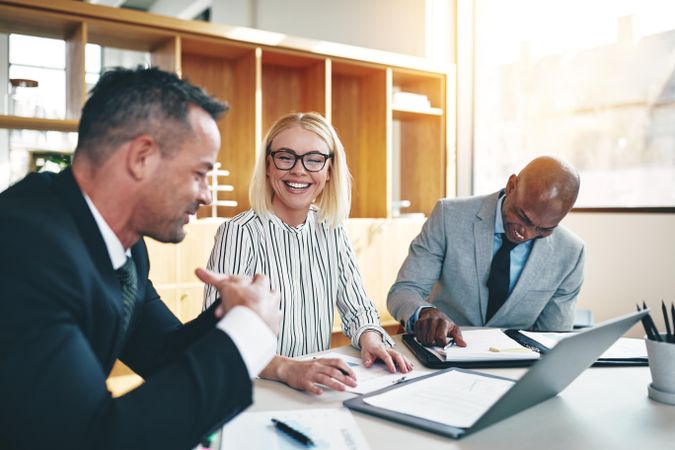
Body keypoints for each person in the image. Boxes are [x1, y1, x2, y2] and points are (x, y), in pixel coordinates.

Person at [0, 67, 282, 450]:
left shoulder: (127, 244)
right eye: (200, 174)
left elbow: (158, 352)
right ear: (142, 157)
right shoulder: (22, 248)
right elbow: (92, 439)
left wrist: (230, 312)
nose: (206, 196)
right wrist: (248, 331)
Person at [204, 112, 412, 395]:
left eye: (314, 159)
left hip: (314, 386)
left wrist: (371, 338)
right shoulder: (239, 232)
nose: (299, 170)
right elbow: (220, 338)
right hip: (256, 388)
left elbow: (358, 308)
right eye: (285, 157)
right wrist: (288, 368)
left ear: (329, 171)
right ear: (268, 165)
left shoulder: (331, 228)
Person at [388, 156, 585, 347]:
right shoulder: (449, 216)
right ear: (511, 185)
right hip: (442, 351)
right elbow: (404, 290)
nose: (526, 233)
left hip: (513, 365)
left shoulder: (570, 253)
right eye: (522, 216)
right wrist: (423, 312)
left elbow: (551, 338)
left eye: (544, 229)